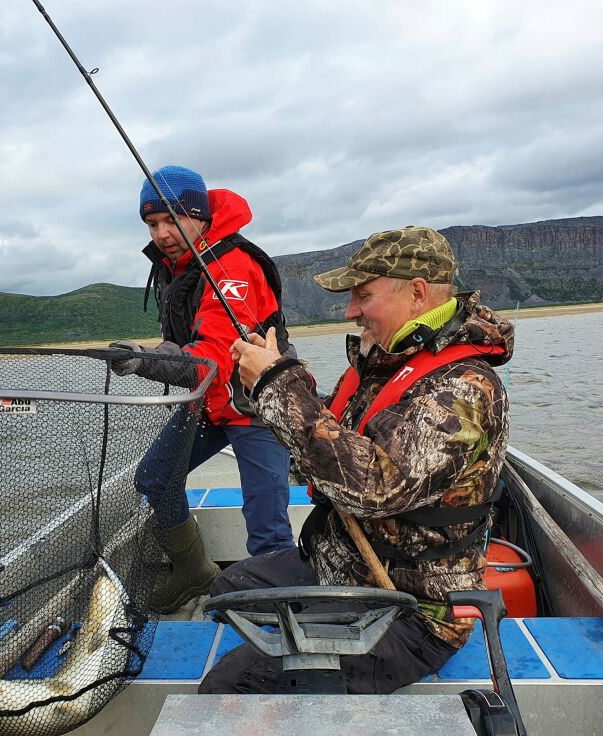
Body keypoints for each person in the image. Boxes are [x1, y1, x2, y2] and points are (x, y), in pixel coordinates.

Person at [200, 225, 514, 693]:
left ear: (418, 293)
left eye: (363, 296)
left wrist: (278, 387)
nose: (351, 312)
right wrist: (278, 390)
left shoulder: (464, 387)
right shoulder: (385, 361)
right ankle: (306, 659)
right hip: (341, 566)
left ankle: (308, 670)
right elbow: (336, 444)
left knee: (229, 687)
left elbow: (375, 486)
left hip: (406, 605)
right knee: (227, 592)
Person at [109, 165, 297, 613]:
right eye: (152, 224)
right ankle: (193, 570)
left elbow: (212, 357)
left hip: (257, 405)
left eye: (172, 220)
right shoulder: (184, 266)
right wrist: (153, 355)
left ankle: (280, 610)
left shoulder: (231, 266)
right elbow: (194, 345)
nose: (162, 233)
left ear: (199, 215)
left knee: (267, 524)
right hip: (211, 406)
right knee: (156, 478)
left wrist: (145, 360)